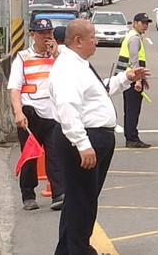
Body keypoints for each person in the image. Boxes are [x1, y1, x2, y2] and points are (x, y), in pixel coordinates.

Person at [49, 18, 149, 255]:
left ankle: (68, 249)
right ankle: (79, 250)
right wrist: (82, 144)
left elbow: (98, 93)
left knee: (81, 199)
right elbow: (67, 107)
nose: (96, 41)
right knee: (82, 201)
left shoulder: (79, 63)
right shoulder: (67, 68)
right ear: (78, 41)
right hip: (84, 137)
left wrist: (126, 78)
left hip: (94, 136)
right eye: (92, 36)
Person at [7, 18, 65, 211]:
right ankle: (28, 196)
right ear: (32, 35)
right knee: (30, 156)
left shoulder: (59, 56)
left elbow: (71, 72)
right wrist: (18, 112)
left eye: (49, 33)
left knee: (55, 153)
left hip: (54, 113)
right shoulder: (23, 58)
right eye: (42, 34)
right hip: (31, 114)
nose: (47, 37)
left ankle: (59, 193)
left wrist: (56, 54)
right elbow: (14, 88)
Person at [116, 12, 152, 148]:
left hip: (131, 78)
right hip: (131, 78)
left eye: (147, 23)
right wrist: (137, 80)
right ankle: (132, 138)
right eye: (143, 23)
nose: (145, 26)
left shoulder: (134, 36)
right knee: (132, 110)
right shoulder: (134, 38)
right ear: (134, 23)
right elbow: (134, 60)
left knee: (131, 109)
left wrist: (143, 78)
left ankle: (131, 136)